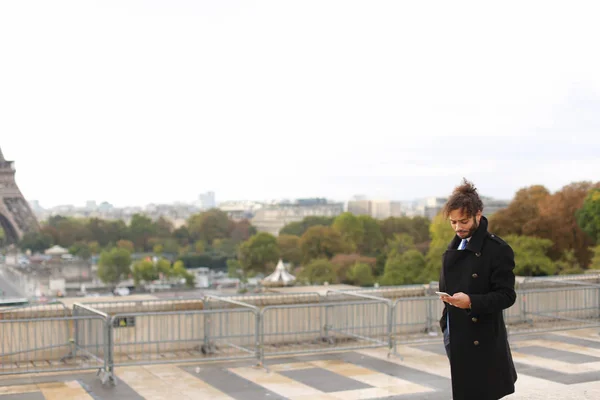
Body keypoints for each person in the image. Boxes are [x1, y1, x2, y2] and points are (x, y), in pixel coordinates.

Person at [438, 178, 518, 400]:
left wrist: (471, 301)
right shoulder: (454, 247)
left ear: (478, 214)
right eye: (453, 222)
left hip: (482, 334)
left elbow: (507, 295)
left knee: (483, 392)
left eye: (463, 221)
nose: (457, 227)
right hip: (456, 330)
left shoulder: (498, 250)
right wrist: (446, 321)